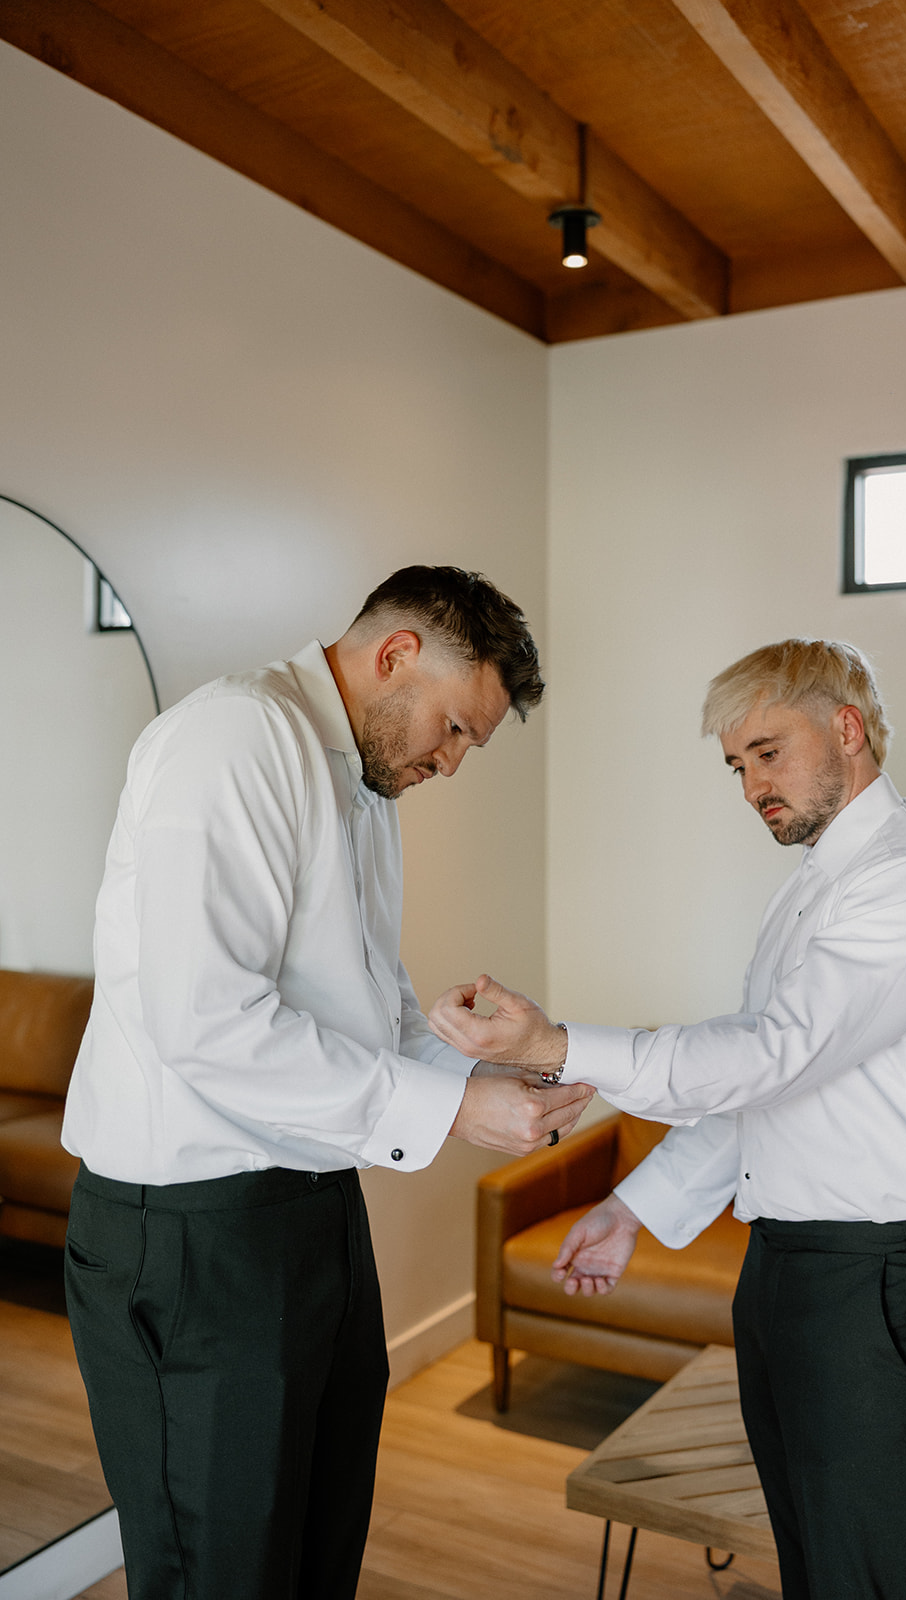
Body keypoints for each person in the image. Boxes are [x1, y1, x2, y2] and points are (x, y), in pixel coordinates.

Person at [430, 637, 906, 1600]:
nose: (750, 788)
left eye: (768, 753)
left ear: (848, 728)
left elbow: (765, 1053)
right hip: (792, 1266)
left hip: (882, 1275)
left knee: (863, 1581)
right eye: (736, 767)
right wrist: (633, 1209)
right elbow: (768, 1090)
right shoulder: (814, 890)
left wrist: (553, 1046)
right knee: (816, 1565)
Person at [61, 564, 593, 1600]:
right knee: (222, 1570)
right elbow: (208, 1021)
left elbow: (371, 1012)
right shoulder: (234, 741)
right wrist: (450, 1107)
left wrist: (497, 1069)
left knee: (315, 1547)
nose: (449, 761)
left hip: (309, 1220)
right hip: (193, 1237)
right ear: (394, 655)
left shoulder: (360, 783)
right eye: (452, 729)